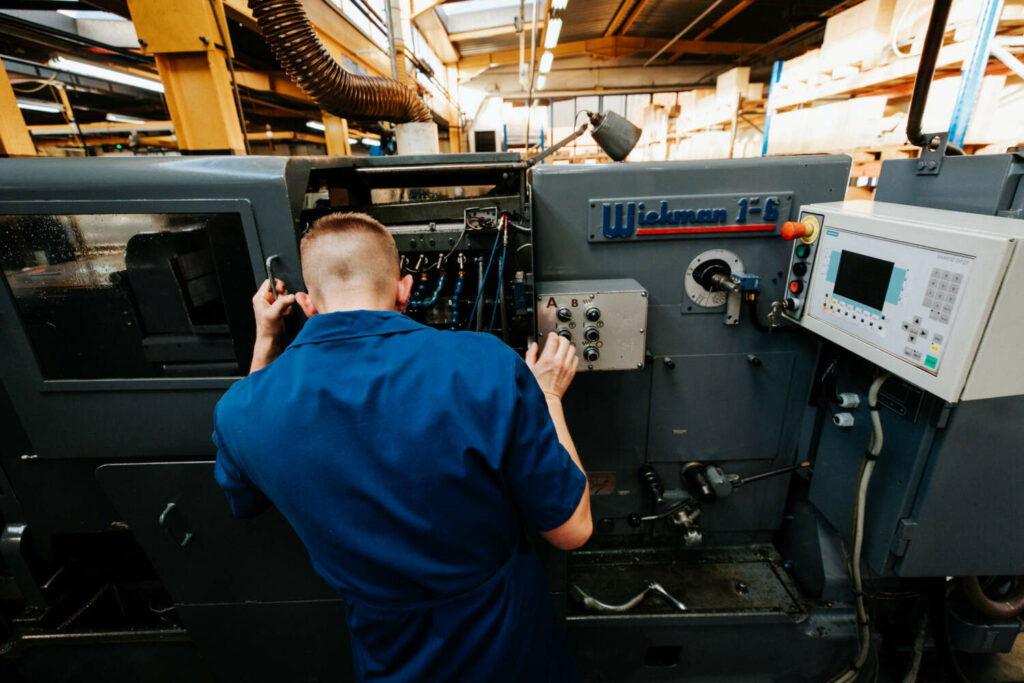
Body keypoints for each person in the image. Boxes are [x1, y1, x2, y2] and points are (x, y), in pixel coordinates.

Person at [212, 212, 591, 681]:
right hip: (506, 644)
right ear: (405, 288)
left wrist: (265, 342)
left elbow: (244, 493)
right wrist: (548, 394)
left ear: (307, 304)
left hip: (389, 656)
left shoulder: (242, 409)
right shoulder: (484, 364)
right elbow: (572, 529)